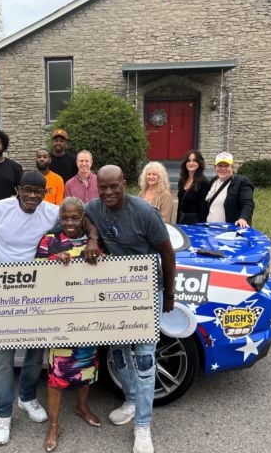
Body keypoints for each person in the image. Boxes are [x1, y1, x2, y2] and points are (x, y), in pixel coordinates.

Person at [0, 171, 100, 446]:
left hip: (39, 292)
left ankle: (27, 398)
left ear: (45, 193)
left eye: (38, 192)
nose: (32, 196)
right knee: (4, 357)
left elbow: (82, 219)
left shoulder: (52, 211)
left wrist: (91, 239)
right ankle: (2, 415)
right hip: (4, 291)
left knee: (34, 353)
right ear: (18, 189)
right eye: (27, 190)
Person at [85, 165, 176, 453]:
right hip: (116, 292)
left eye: (115, 186)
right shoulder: (94, 208)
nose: (109, 192)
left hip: (148, 291)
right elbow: (81, 216)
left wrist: (170, 293)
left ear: (125, 184)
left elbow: (167, 253)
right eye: (103, 187)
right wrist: (92, 237)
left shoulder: (144, 212)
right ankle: (133, 400)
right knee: (118, 352)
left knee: (145, 359)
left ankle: (143, 426)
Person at [36, 197, 101, 452]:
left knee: (86, 367)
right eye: (65, 218)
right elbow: (35, 271)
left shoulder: (92, 241)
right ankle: (54, 424)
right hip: (59, 318)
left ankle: (81, 407)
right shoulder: (49, 240)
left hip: (87, 316)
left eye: (75, 217)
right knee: (57, 374)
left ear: (83, 218)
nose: (70, 222)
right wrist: (54, 259)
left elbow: (106, 271)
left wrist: (94, 255)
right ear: (59, 218)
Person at [205, 151, 254, 227]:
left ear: (232, 167)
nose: (223, 168)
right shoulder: (213, 181)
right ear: (215, 167)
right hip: (211, 230)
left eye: (227, 166)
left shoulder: (241, 182)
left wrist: (243, 218)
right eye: (220, 166)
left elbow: (248, 203)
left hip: (229, 232)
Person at [176, 149, 210, 224]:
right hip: (182, 221)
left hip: (195, 223)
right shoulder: (182, 180)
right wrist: (177, 224)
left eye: (194, 160)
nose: (191, 163)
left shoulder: (203, 183)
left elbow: (203, 209)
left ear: (199, 163)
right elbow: (180, 205)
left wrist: (201, 227)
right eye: (189, 160)